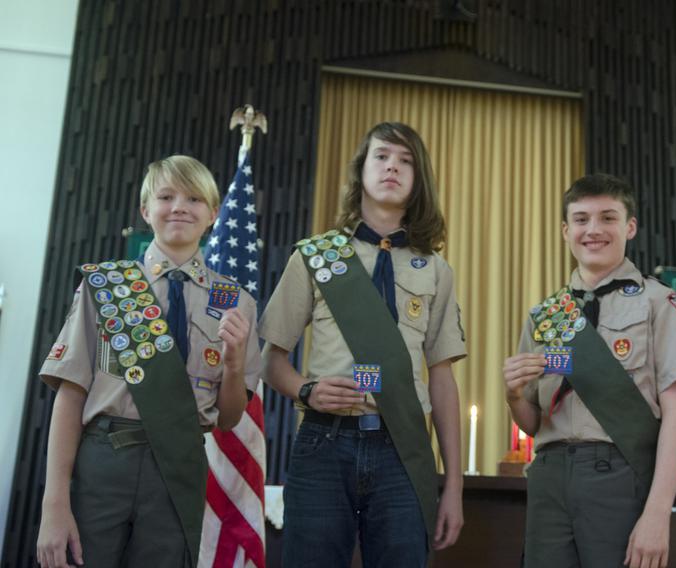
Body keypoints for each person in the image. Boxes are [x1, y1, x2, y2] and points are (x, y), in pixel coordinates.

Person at [36, 155, 261, 568]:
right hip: (105, 457)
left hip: (178, 465)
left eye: (194, 198)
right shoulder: (106, 287)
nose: (179, 206)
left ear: (213, 214)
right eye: (166, 196)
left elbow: (229, 419)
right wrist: (54, 505)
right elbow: (70, 395)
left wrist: (233, 365)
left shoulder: (236, 301)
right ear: (145, 210)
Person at [260, 122, 466, 567]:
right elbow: (272, 361)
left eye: (406, 160)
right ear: (361, 171)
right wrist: (306, 390)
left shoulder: (435, 269)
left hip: (403, 447)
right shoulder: (315, 256)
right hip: (323, 442)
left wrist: (453, 486)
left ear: (418, 179)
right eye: (382, 156)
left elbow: (443, 378)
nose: (393, 165)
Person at [502, 173, 676, 568]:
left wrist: (659, 513)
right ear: (565, 230)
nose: (593, 230)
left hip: (619, 475)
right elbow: (534, 423)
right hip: (549, 476)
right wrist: (512, 396)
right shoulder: (546, 314)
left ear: (630, 226)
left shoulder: (658, 301)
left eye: (607, 218)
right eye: (581, 219)